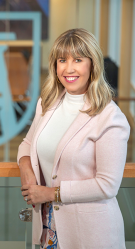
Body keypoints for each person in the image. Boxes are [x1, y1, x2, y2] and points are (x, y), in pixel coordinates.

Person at [17, 28, 130, 248]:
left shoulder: (110, 117)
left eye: (78, 60)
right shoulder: (47, 102)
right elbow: (27, 143)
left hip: (91, 234)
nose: (69, 68)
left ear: (92, 64)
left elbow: (107, 185)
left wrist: (49, 193)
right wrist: (26, 169)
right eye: (62, 60)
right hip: (49, 229)